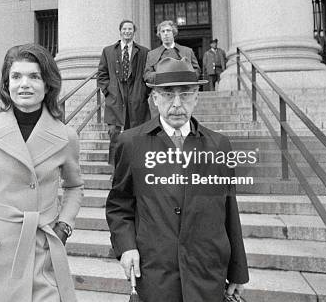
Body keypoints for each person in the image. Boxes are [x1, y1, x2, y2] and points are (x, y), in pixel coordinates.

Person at [106, 57, 249, 301]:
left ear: (197, 97)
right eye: (168, 94)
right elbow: (119, 205)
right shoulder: (130, 143)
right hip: (155, 273)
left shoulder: (219, 145)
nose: (176, 104)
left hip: (207, 272)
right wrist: (126, 247)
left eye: (185, 95)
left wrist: (238, 271)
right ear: (154, 98)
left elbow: (229, 210)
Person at [0, 44, 84, 302]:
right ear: (7, 84)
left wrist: (64, 226)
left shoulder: (66, 137)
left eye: (34, 76)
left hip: (42, 250)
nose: (24, 84)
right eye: (16, 77)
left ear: (47, 84)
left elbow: (74, 186)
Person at [97, 19, 150, 166]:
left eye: (130, 29)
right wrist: (108, 90)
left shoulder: (144, 52)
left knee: (135, 133)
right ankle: (116, 169)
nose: (127, 32)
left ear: (134, 32)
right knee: (114, 133)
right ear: (120, 31)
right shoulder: (108, 51)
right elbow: (102, 73)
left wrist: (144, 92)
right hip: (115, 97)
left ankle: (135, 167)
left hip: (136, 96)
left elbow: (149, 73)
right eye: (125, 29)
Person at [143, 20, 200, 85]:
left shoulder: (187, 51)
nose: (165, 34)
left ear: (173, 33)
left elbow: (196, 71)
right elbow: (147, 75)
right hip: (161, 90)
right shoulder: (152, 54)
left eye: (168, 30)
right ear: (160, 34)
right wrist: (163, 77)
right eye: (163, 31)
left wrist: (184, 77)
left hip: (184, 90)